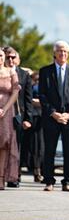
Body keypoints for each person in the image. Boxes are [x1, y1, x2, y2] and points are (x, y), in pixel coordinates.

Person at [39, 41, 69, 192]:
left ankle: (67, 181)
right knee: (49, 150)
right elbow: (42, 95)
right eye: (60, 51)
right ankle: (49, 181)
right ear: (54, 53)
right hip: (51, 118)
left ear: (68, 54)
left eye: (65, 51)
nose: (63, 54)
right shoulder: (45, 72)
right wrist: (54, 113)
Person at [4, 46, 33, 188]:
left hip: (17, 116)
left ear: (17, 59)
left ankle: (14, 176)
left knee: (16, 148)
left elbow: (28, 99)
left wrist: (28, 119)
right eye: (7, 57)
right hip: (2, 115)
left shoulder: (24, 75)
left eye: (13, 57)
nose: (10, 59)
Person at [0, 48, 21, 190]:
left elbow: (15, 92)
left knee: (4, 144)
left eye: (1, 55)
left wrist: (4, 109)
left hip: (6, 112)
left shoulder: (11, 72)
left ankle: (1, 178)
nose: (0, 58)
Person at [28, 71, 44, 182]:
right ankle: (35, 169)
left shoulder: (44, 87)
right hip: (33, 117)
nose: (37, 81)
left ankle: (39, 170)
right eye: (35, 79)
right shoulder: (31, 87)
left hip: (43, 117)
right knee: (34, 146)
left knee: (41, 146)